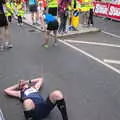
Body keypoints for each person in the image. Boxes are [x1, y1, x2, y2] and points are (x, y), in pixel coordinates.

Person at [4, 77, 69, 120]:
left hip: (44, 107)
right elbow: (6, 90)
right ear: (20, 87)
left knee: (57, 93)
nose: (23, 82)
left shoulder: (34, 88)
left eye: (23, 82)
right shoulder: (20, 93)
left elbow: (41, 79)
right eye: (22, 83)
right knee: (27, 102)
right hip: (34, 112)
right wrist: (17, 85)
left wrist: (27, 81)